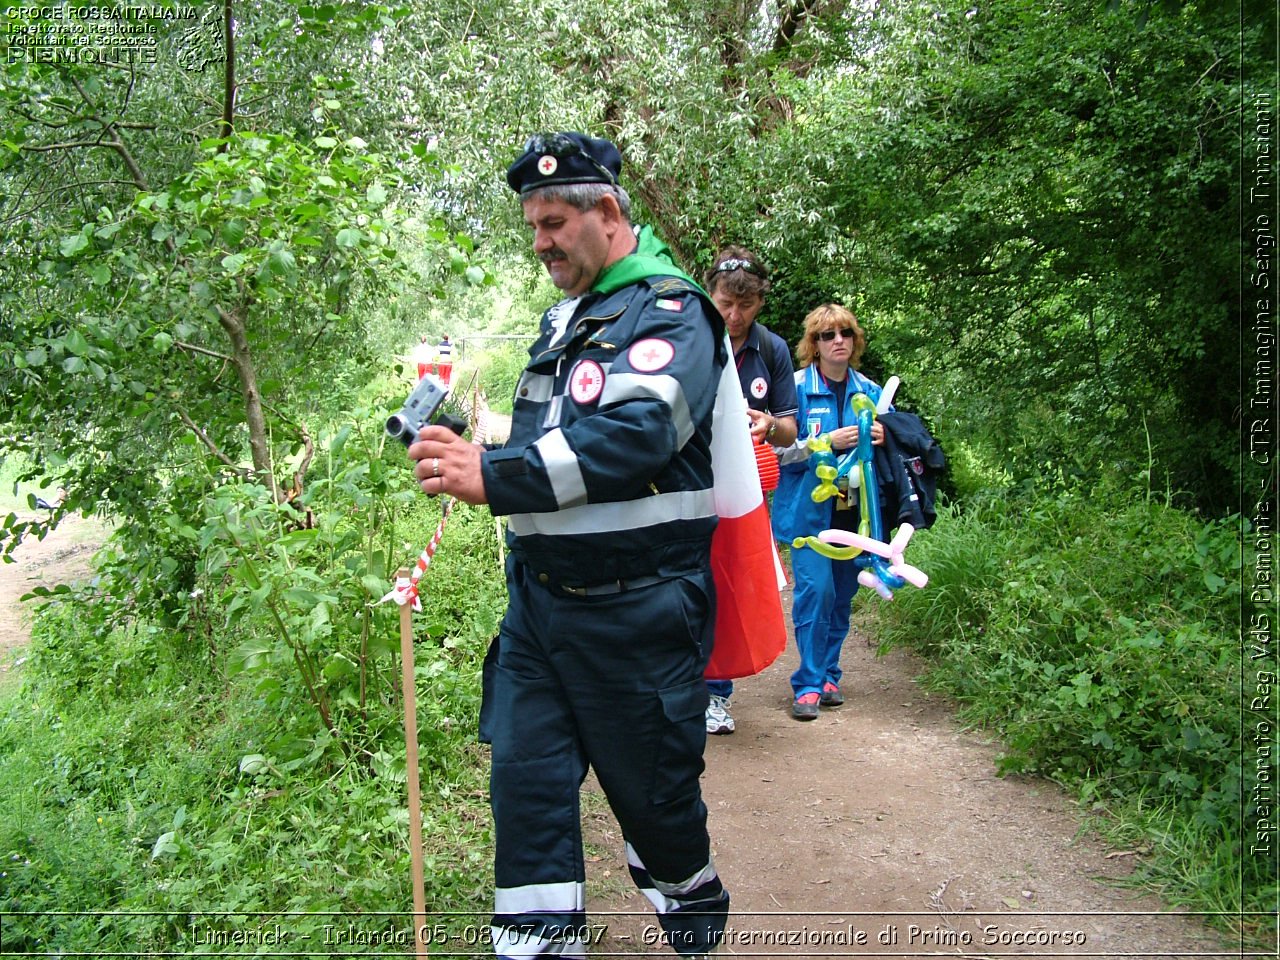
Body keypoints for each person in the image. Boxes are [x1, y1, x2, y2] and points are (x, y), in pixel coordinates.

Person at [407, 132, 729, 959]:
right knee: (527, 795)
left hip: (640, 617)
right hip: (539, 614)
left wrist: (496, 476)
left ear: (608, 212)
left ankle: (694, 919)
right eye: (534, 226)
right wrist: (465, 446)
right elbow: (555, 435)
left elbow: (640, 433)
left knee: (657, 811)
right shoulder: (564, 318)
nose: (540, 241)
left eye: (553, 222)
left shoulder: (673, 310)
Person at [771, 304, 888, 721]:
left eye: (845, 333)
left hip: (856, 517)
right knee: (815, 593)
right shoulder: (796, 388)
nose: (837, 340)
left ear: (854, 340)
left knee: (841, 597)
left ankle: (829, 674)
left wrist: (883, 437)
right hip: (809, 515)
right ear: (814, 345)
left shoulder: (871, 393)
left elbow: (890, 458)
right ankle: (807, 684)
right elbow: (778, 453)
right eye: (827, 335)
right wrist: (826, 444)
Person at [700, 246, 798, 735]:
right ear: (710, 295)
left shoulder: (773, 350)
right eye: (725, 305)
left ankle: (716, 695)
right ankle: (679, 687)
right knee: (686, 581)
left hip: (746, 491)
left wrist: (768, 426)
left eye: (746, 306)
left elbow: (791, 428)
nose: (734, 316)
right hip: (690, 485)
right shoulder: (690, 339)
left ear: (760, 302)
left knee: (732, 582)